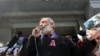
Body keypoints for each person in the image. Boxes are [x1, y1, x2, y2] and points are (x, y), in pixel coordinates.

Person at [19, 17, 99, 56]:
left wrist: (90, 39)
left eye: (43, 22)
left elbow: (79, 54)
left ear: (52, 24)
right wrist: (33, 37)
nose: (40, 24)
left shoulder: (65, 40)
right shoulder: (34, 41)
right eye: (40, 23)